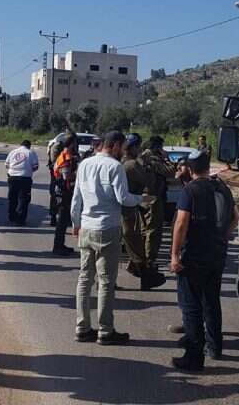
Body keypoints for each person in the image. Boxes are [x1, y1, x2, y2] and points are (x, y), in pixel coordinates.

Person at [71, 131, 149, 345]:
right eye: (122, 147)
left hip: (86, 227)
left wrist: (76, 223)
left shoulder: (85, 164)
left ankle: (82, 327)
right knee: (106, 282)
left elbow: (76, 197)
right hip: (107, 228)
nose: (123, 151)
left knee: (84, 279)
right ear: (114, 145)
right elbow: (122, 198)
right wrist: (141, 199)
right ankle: (105, 330)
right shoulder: (115, 167)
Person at [171, 149, 237, 371]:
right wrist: (224, 235)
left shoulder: (190, 191)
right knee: (212, 301)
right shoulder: (222, 188)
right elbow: (234, 217)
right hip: (217, 253)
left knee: (191, 306)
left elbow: (181, 223)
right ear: (208, 167)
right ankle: (215, 347)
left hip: (195, 255)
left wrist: (174, 254)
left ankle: (193, 356)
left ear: (190, 169)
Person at [120, 134, 166, 290]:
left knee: (128, 244)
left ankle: (138, 271)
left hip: (124, 208)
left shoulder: (121, 162)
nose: (140, 149)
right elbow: (149, 180)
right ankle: (146, 276)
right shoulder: (132, 165)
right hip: (128, 210)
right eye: (137, 146)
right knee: (135, 243)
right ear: (132, 148)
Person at [140, 136, 175, 271]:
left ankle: (143, 258)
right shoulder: (152, 158)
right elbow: (170, 172)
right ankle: (148, 260)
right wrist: (167, 158)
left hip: (143, 197)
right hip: (153, 198)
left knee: (144, 229)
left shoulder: (142, 156)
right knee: (153, 230)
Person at [52, 134, 79, 256]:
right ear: (72, 144)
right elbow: (66, 176)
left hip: (62, 191)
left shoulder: (64, 156)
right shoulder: (66, 158)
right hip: (63, 192)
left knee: (62, 221)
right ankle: (58, 247)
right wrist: (79, 173)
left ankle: (60, 245)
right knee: (62, 221)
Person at [5, 140, 39, 225]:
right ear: (29, 146)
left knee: (12, 198)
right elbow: (35, 166)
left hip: (12, 177)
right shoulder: (31, 152)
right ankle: (20, 220)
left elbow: (6, 165)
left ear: (20, 145)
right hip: (25, 179)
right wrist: (28, 170)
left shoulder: (13, 152)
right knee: (23, 199)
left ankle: (12, 216)